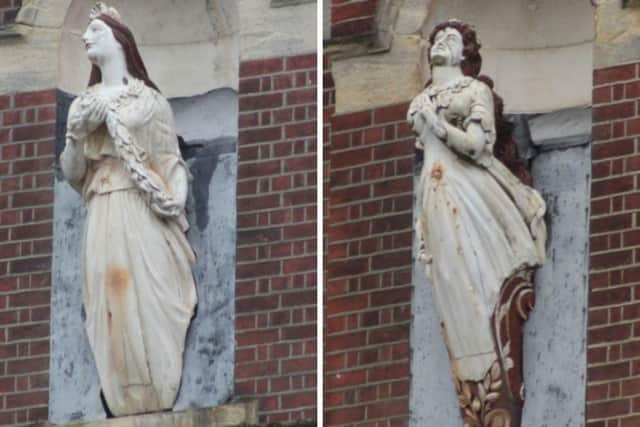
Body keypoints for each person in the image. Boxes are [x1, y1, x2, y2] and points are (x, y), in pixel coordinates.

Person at [60, 3, 196, 416]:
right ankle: (122, 393)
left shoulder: (149, 102)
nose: (85, 38)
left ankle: (156, 383)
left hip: (141, 207)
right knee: (109, 298)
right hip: (102, 207)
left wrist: (174, 201)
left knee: (146, 292)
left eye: (95, 31)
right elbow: (72, 173)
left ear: (119, 40)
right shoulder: (83, 105)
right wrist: (74, 134)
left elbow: (169, 161)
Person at [408, 20, 546, 383]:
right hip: (434, 190)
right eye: (436, 38)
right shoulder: (420, 100)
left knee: (477, 262)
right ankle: (467, 351)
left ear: (464, 53)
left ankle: (488, 350)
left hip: (468, 187)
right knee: (447, 272)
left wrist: (437, 127)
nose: (440, 42)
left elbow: (476, 146)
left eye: (450, 38)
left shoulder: (472, 91)